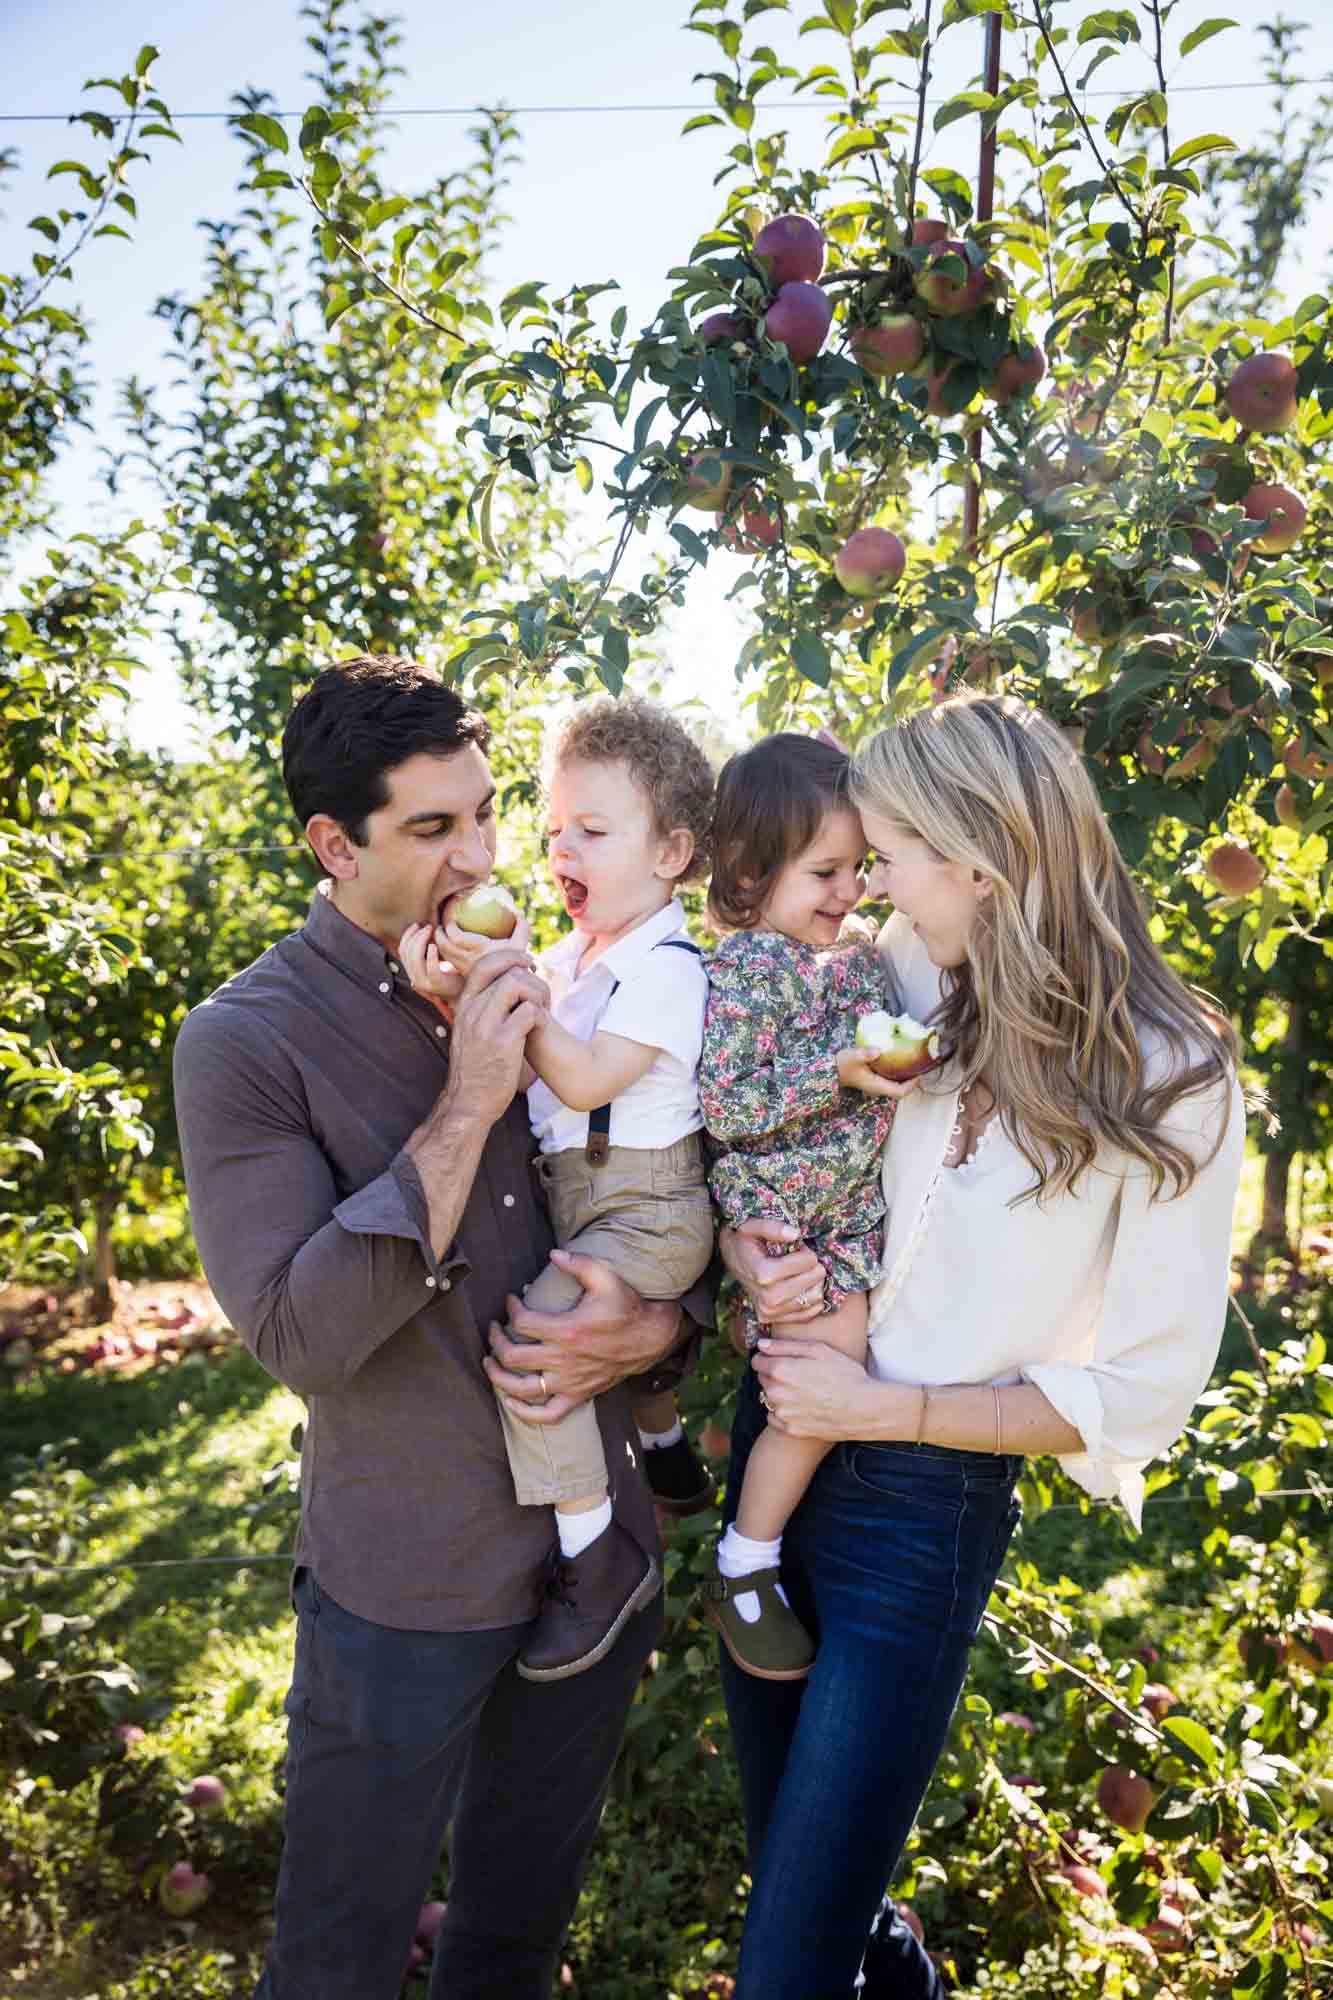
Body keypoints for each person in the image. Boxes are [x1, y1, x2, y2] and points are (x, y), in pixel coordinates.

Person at [172, 654, 712, 2000]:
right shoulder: (246, 1044)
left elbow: (665, 1186)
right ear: (329, 843)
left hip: (594, 1560)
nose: (480, 855)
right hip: (407, 1587)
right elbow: (298, 1332)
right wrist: (468, 1097)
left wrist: (658, 1330)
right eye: (432, 830)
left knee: (512, 1943)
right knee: (339, 1958)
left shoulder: (560, 970)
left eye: (485, 814)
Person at [717, 694, 1246, 2000]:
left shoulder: (1170, 1074)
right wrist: (751, 1249)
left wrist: (879, 1411)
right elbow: (762, 1123)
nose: (871, 880)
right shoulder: (894, 971)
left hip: (918, 1504)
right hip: (777, 1442)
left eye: (891, 850)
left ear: (979, 856)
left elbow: (1135, 1396)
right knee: (815, 1882)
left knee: (788, 1962)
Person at [400, 695, 719, 1684]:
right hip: (579, 1199)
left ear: (670, 852)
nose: (560, 851)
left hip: (646, 1208)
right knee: (565, 1332)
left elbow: (577, 1078)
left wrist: (507, 978)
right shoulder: (577, 958)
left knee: (535, 1356)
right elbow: (526, 1063)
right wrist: (462, 989)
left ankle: (597, 1555)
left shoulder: (668, 966)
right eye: (549, 831)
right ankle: (660, 1434)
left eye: (591, 830)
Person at [694, 734, 906, 1681]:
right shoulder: (743, 969)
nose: (849, 890)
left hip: (847, 1214)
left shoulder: (857, 960)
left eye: (860, 866)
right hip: (786, 1211)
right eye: (825, 870)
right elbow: (729, 1105)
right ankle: (746, 1558)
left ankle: (757, 1550)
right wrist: (843, 1070)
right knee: (824, 1385)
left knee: (820, 1380)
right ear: (747, 870)